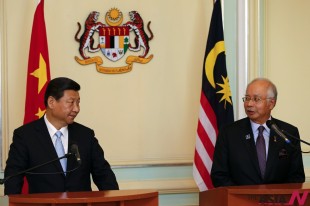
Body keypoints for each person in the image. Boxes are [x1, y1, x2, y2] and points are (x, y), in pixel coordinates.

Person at [4, 77, 119, 194]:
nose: (76, 109)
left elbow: (104, 175)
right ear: (51, 102)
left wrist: (115, 200)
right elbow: (13, 179)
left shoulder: (86, 135)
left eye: (78, 103)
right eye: (71, 102)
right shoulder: (25, 136)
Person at [211, 78, 305, 187]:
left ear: (271, 103)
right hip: (239, 201)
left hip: (278, 202)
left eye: (256, 99)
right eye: (247, 98)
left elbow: (296, 177)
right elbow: (219, 176)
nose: (249, 104)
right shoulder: (229, 133)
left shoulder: (288, 133)